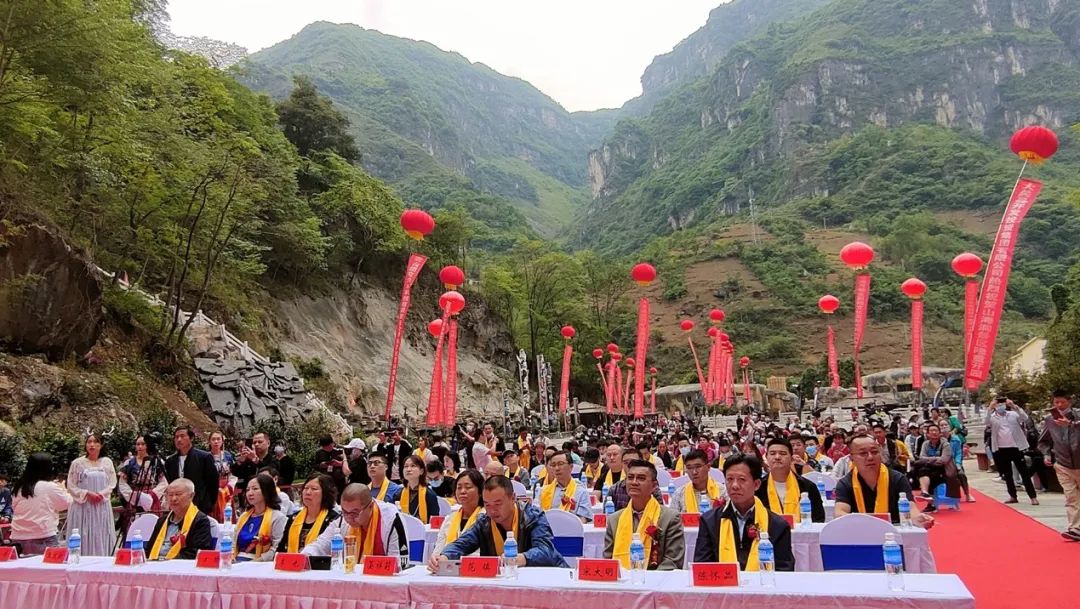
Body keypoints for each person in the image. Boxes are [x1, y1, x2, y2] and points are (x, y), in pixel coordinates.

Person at [427, 475, 568, 569]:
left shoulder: (533, 516)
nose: (492, 510)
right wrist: (444, 557)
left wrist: (520, 558)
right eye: (487, 504)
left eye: (498, 504)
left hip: (546, 577)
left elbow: (546, 550)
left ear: (513, 498)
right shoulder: (484, 522)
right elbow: (462, 543)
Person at [693, 455, 794, 571]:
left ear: (756, 484)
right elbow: (702, 567)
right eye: (730, 479)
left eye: (742, 479)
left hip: (763, 587)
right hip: (721, 588)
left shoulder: (778, 525)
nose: (735, 486)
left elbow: (784, 571)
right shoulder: (709, 521)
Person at [834, 435, 934, 528]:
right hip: (859, 533)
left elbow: (910, 507)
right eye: (863, 453)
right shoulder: (845, 483)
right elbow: (839, 512)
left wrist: (917, 518)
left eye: (874, 452)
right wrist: (867, 523)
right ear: (851, 458)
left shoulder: (898, 479)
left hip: (895, 533)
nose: (870, 457)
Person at [603, 459, 684, 570]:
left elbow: (673, 561)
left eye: (641, 478)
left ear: (654, 485)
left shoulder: (669, 518)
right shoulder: (614, 519)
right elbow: (608, 559)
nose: (634, 482)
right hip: (622, 582)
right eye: (630, 478)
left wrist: (646, 580)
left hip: (657, 583)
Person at [302, 483, 407, 558]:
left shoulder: (391, 520)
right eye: (344, 511)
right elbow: (321, 544)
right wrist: (305, 555)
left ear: (370, 506)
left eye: (355, 513)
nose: (348, 518)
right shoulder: (342, 520)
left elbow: (397, 562)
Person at [1038, 389, 1080, 541]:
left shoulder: (1077, 416)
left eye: (1062, 402)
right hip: (1063, 464)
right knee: (1071, 497)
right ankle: (1075, 528)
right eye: (1056, 402)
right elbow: (1043, 441)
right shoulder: (1050, 420)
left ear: (1069, 401)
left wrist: (1071, 424)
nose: (1060, 405)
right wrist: (1047, 454)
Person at [65, 432, 116, 556]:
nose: (92, 445)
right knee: (83, 533)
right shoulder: (77, 463)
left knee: (101, 532)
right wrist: (87, 493)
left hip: (101, 505)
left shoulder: (107, 462)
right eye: (89, 442)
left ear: (101, 445)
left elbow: (112, 482)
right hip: (83, 505)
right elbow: (71, 484)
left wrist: (101, 494)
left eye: (96, 442)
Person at [10, 453, 71, 555]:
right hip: (43, 537)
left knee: (22, 571)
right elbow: (65, 504)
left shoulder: (19, 487)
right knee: (50, 570)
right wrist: (64, 489)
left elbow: (14, 507)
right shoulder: (50, 486)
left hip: (18, 538)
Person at [757, 438, 825, 523]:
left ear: (792, 459)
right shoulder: (758, 488)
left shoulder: (808, 487)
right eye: (772, 453)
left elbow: (818, 519)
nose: (777, 457)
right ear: (766, 457)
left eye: (783, 453)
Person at [986, 398, 1039, 505]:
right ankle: (1012, 496)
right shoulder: (993, 417)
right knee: (1007, 474)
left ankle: (1032, 496)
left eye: (1002, 404)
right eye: (998, 404)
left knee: (1023, 472)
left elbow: (1025, 417)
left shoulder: (1013, 414)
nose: (1001, 406)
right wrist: (989, 408)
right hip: (1001, 448)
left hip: (1016, 447)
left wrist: (1014, 406)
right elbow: (987, 423)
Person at [145, 479, 215, 560]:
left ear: (191, 496)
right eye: (170, 495)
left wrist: (167, 563)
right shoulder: (162, 520)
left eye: (178, 494)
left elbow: (197, 553)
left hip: (180, 567)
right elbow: (149, 548)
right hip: (154, 564)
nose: (173, 499)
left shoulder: (200, 520)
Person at [278, 474, 339, 553]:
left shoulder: (333, 519)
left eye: (314, 489)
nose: (308, 492)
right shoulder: (293, 518)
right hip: (291, 562)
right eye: (306, 488)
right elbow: (281, 548)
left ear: (325, 493)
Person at [166, 426, 220, 515]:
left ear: (191, 438)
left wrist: (209, 504)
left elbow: (213, 483)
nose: (179, 439)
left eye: (182, 436)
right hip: (178, 505)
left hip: (200, 505)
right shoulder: (170, 461)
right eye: (176, 437)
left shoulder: (204, 457)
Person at [234, 473, 287, 562]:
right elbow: (233, 542)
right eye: (248, 490)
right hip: (237, 561)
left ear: (267, 491)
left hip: (261, 563)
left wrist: (256, 562)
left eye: (255, 489)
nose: (250, 493)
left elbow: (276, 548)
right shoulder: (244, 516)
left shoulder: (278, 517)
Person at [431, 470, 484, 556]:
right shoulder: (450, 518)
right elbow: (438, 549)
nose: (462, 491)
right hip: (447, 566)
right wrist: (436, 560)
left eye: (468, 487)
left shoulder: (485, 518)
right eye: (459, 487)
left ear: (480, 491)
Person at [537, 450, 592, 522]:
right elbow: (538, 516)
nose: (557, 468)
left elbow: (583, 519)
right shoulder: (543, 491)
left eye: (560, 464)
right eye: (553, 465)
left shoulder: (581, 492)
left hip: (572, 531)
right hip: (547, 530)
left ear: (571, 467)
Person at [117, 435, 167, 513]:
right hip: (135, 500)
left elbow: (164, 482)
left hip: (154, 498)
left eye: (143, 444)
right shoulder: (129, 463)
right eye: (138, 444)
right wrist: (135, 497)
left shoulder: (156, 461)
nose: (140, 446)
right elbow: (122, 484)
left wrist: (152, 495)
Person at [913, 423, 956, 511]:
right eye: (931, 431)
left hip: (944, 469)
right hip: (929, 468)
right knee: (922, 470)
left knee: (928, 473)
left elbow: (944, 460)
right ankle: (925, 494)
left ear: (940, 433)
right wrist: (935, 459)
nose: (934, 432)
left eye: (936, 430)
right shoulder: (925, 444)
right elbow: (921, 457)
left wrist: (928, 460)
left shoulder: (945, 444)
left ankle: (929, 502)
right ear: (927, 434)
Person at [230, 431, 275, 506]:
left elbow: (270, 473)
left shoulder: (273, 460)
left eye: (260, 442)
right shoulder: (248, 461)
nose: (257, 444)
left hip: (268, 499)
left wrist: (256, 461)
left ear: (268, 443)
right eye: (254, 442)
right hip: (248, 501)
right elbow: (235, 473)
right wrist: (240, 461)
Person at [399, 455, 440, 524]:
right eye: (406, 466)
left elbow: (435, 523)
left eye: (413, 466)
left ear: (421, 471)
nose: (408, 469)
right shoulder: (399, 493)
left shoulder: (429, 495)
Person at [208, 431, 236, 522]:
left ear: (222, 441)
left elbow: (233, 471)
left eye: (218, 439)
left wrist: (229, 486)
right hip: (213, 489)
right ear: (209, 442)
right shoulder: (206, 457)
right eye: (213, 439)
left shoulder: (228, 455)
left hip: (227, 488)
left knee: (228, 510)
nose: (216, 442)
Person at [948, 425, 975, 503]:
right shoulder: (939, 440)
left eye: (946, 425)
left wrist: (958, 463)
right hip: (943, 462)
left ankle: (967, 494)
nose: (944, 427)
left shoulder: (955, 439)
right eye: (941, 425)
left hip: (954, 462)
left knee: (961, 474)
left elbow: (958, 453)